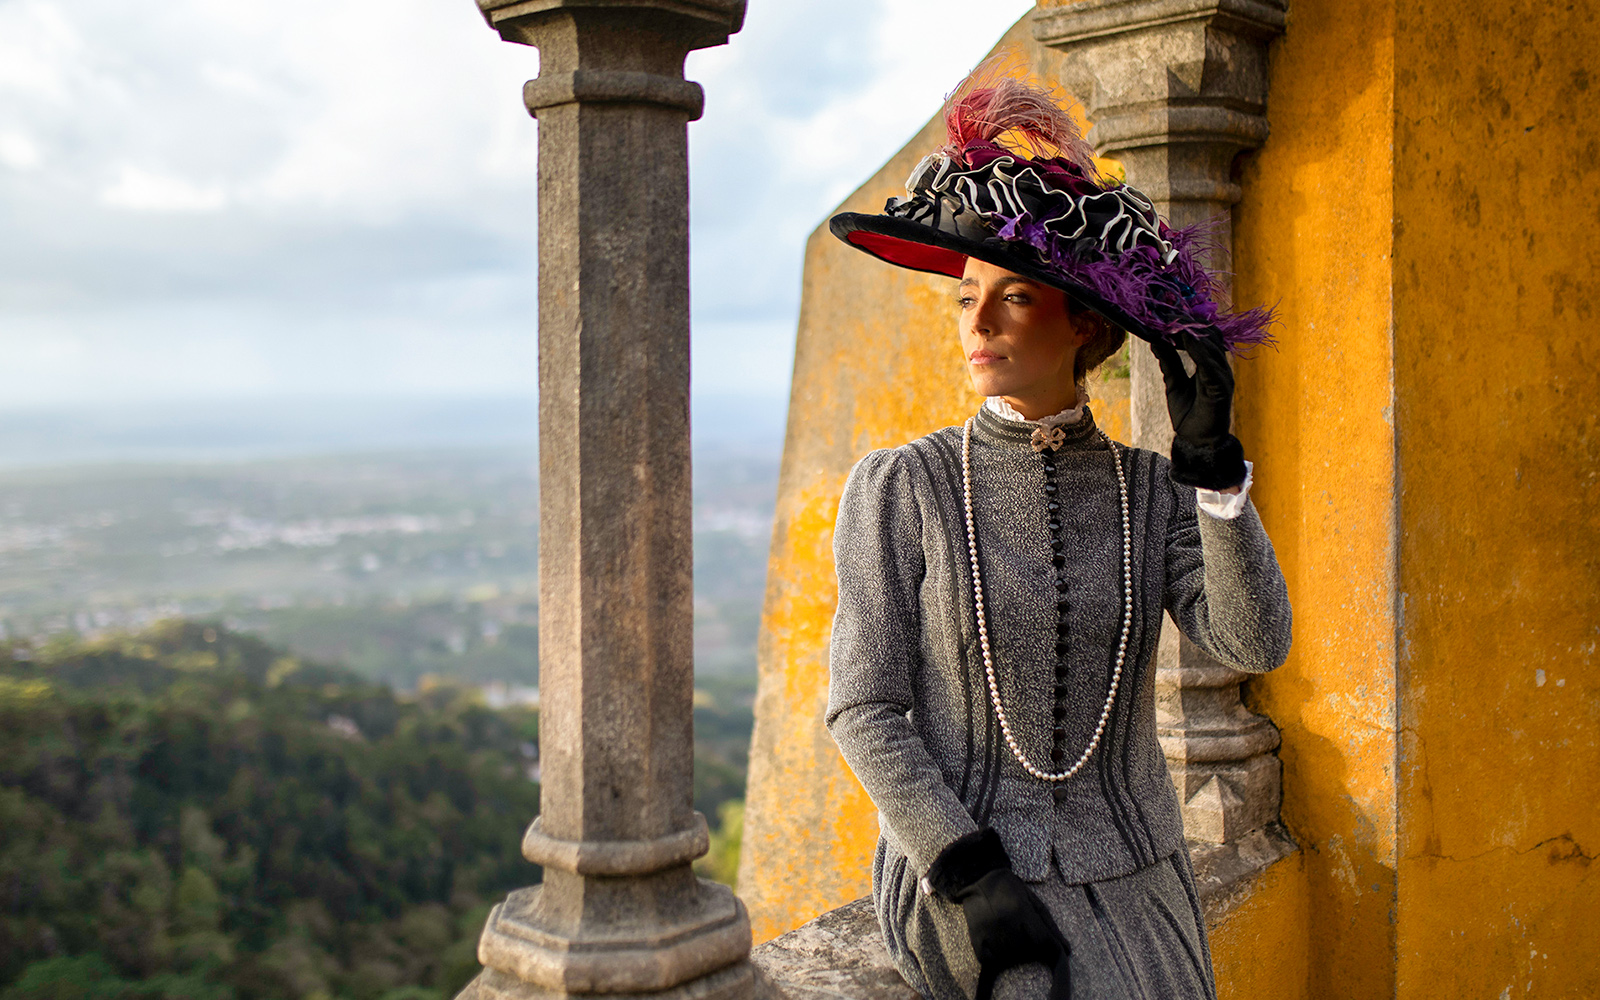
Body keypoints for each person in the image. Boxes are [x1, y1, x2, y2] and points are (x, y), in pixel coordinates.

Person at [823, 69, 1292, 1000]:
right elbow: (862, 708)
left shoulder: (1152, 492)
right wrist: (966, 867)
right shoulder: (902, 486)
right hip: (970, 881)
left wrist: (1218, 480)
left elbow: (1253, 640)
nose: (978, 324)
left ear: (1084, 323)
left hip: (1143, 878)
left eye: (1015, 298)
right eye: (965, 297)